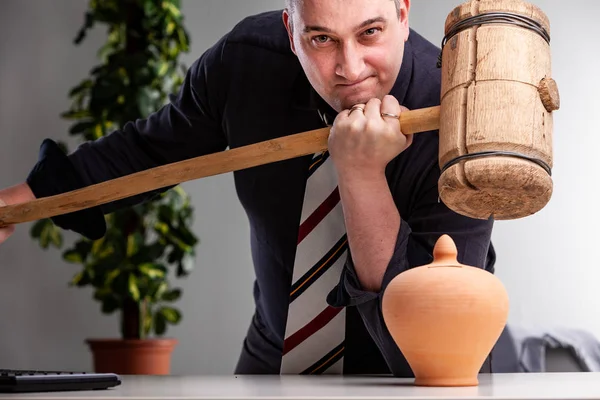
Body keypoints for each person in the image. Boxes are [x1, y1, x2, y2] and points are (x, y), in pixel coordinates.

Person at [0, 0, 496, 376]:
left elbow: (429, 346)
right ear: (290, 30)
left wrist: (361, 174)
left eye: (370, 33)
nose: (350, 68)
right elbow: (149, 153)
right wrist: (17, 204)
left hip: (410, 378)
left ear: (403, 13)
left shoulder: (459, 110)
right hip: (273, 360)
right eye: (321, 39)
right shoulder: (247, 63)